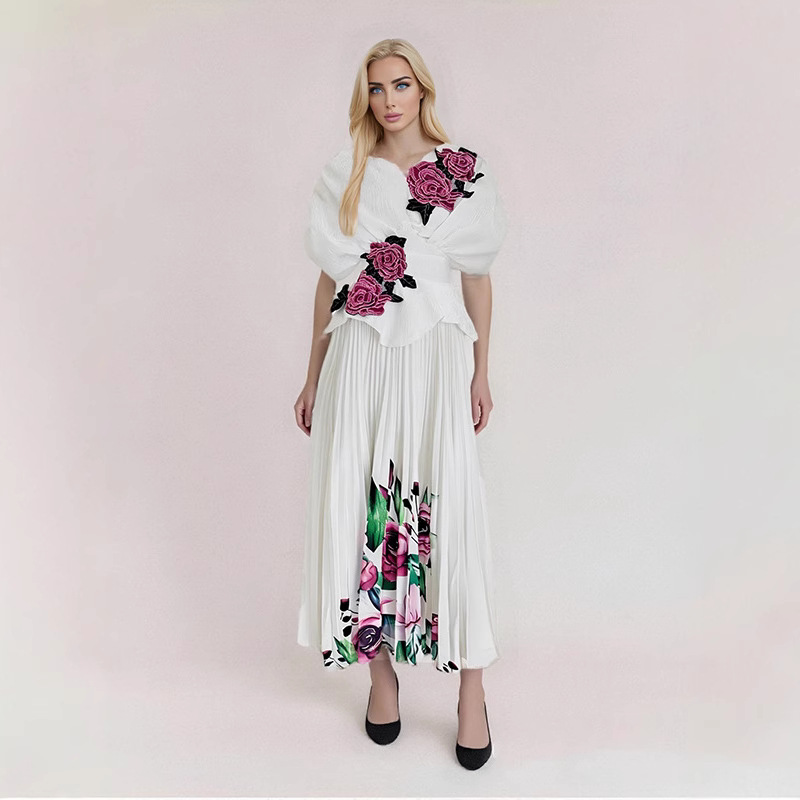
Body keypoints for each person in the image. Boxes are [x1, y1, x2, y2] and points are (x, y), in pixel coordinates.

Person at [293, 38, 507, 770]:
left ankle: (471, 691)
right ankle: (380, 676)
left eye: (401, 85)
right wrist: (312, 374)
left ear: (423, 90)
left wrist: (482, 371)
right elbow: (330, 282)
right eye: (377, 88)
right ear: (367, 98)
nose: (389, 100)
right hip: (359, 355)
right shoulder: (346, 173)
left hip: (436, 357)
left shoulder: (460, 172)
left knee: (452, 506)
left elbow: (477, 278)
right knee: (363, 507)